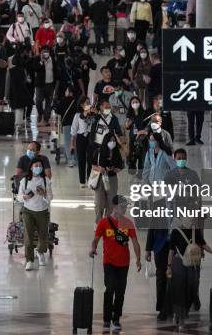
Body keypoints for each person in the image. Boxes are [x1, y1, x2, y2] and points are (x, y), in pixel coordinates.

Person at [90, 195, 141, 332]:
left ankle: (116, 318)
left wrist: (138, 259)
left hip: (124, 263)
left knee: (120, 292)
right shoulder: (103, 222)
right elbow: (96, 239)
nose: (125, 209)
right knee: (110, 288)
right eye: (122, 207)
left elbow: (135, 242)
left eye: (126, 207)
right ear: (115, 207)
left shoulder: (128, 223)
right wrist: (93, 248)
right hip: (109, 262)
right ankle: (107, 319)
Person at [167, 217, 212, 330]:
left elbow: (203, 244)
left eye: (192, 220)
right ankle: (181, 318)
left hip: (193, 265)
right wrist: (169, 267)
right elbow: (171, 251)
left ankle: (182, 313)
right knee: (180, 291)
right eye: (189, 219)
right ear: (182, 219)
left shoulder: (196, 232)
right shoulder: (175, 232)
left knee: (192, 289)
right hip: (179, 264)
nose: (191, 222)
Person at [19, 158, 53, 271]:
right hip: (28, 211)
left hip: (42, 211)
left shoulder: (46, 180)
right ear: (31, 167)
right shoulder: (24, 181)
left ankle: (40, 251)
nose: (38, 167)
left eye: (40, 166)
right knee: (28, 236)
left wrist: (44, 194)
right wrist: (25, 197)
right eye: (35, 165)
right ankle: (29, 260)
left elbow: (50, 198)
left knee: (43, 236)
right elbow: (19, 197)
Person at [92, 133, 124, 224]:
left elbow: (120, 167)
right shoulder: (98, 152)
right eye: (110, 140)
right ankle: (98, 223)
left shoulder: (117, 152)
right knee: (99, 203)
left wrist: (114, 169)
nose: (112, 142)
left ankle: (107, 223)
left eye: (114, 141)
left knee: (111, 203)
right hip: (100, 179)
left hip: (112, 179)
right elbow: (93, 166)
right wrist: (100, 169)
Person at [71, 97, 95, 188]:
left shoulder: (93, 114)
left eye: (89, 102)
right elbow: (73, 130)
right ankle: (82, 181)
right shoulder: (77, 115)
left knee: (90, 160)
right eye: (87, 102)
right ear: (82, 105)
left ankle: (89, 179)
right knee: (81, 160)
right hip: (81, 138)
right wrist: (72, 144)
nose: (89, 104)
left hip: (91, 138)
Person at [6, 50, 33, 129]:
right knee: (20, 108)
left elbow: (7, 84)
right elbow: (25, 80)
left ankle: (15, 122)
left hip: (12, 92)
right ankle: (18, 123)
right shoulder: (22, 70)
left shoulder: (10, 71)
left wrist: (6, 95)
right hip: (21, 92)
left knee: (13, 107)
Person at [54, 86, 78, 167]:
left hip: (66, 124)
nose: (65, 92)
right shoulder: (77, 101)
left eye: (66, 91)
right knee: (75, 142)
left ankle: (70, 160)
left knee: (68, 143)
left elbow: (57, 111)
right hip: (76, 125)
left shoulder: (64, 100)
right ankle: (77, 159)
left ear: (69, 92)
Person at [33, 47, 57, 125]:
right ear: (41, 53)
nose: (45, 53)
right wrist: (41, 61)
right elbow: (35, 69)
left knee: (48, 102)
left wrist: (55, 83)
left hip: (50, 84)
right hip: (40, 85)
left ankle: (46, 119)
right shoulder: (37, 59)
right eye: (44, 51)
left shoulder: (53, 59)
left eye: (47, 51)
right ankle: (40, 113)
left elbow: (55, 71)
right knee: (38, 101)